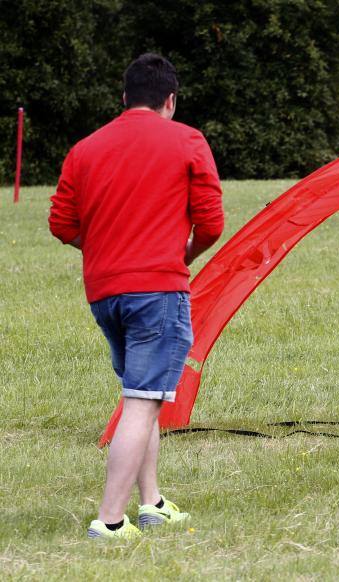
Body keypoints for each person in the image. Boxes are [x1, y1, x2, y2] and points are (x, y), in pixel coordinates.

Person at [48, 53, 224, 539]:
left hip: (105, 293)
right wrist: (183, 254)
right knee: (144, 400)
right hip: (157, 289)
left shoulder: (85, 148)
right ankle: (109, 520)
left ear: (124, 98)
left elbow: (61, 223)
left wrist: (106, 250)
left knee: (137, 395)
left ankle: (153, 503)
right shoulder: (187, 139)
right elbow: (210, 222)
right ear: (171, 100)